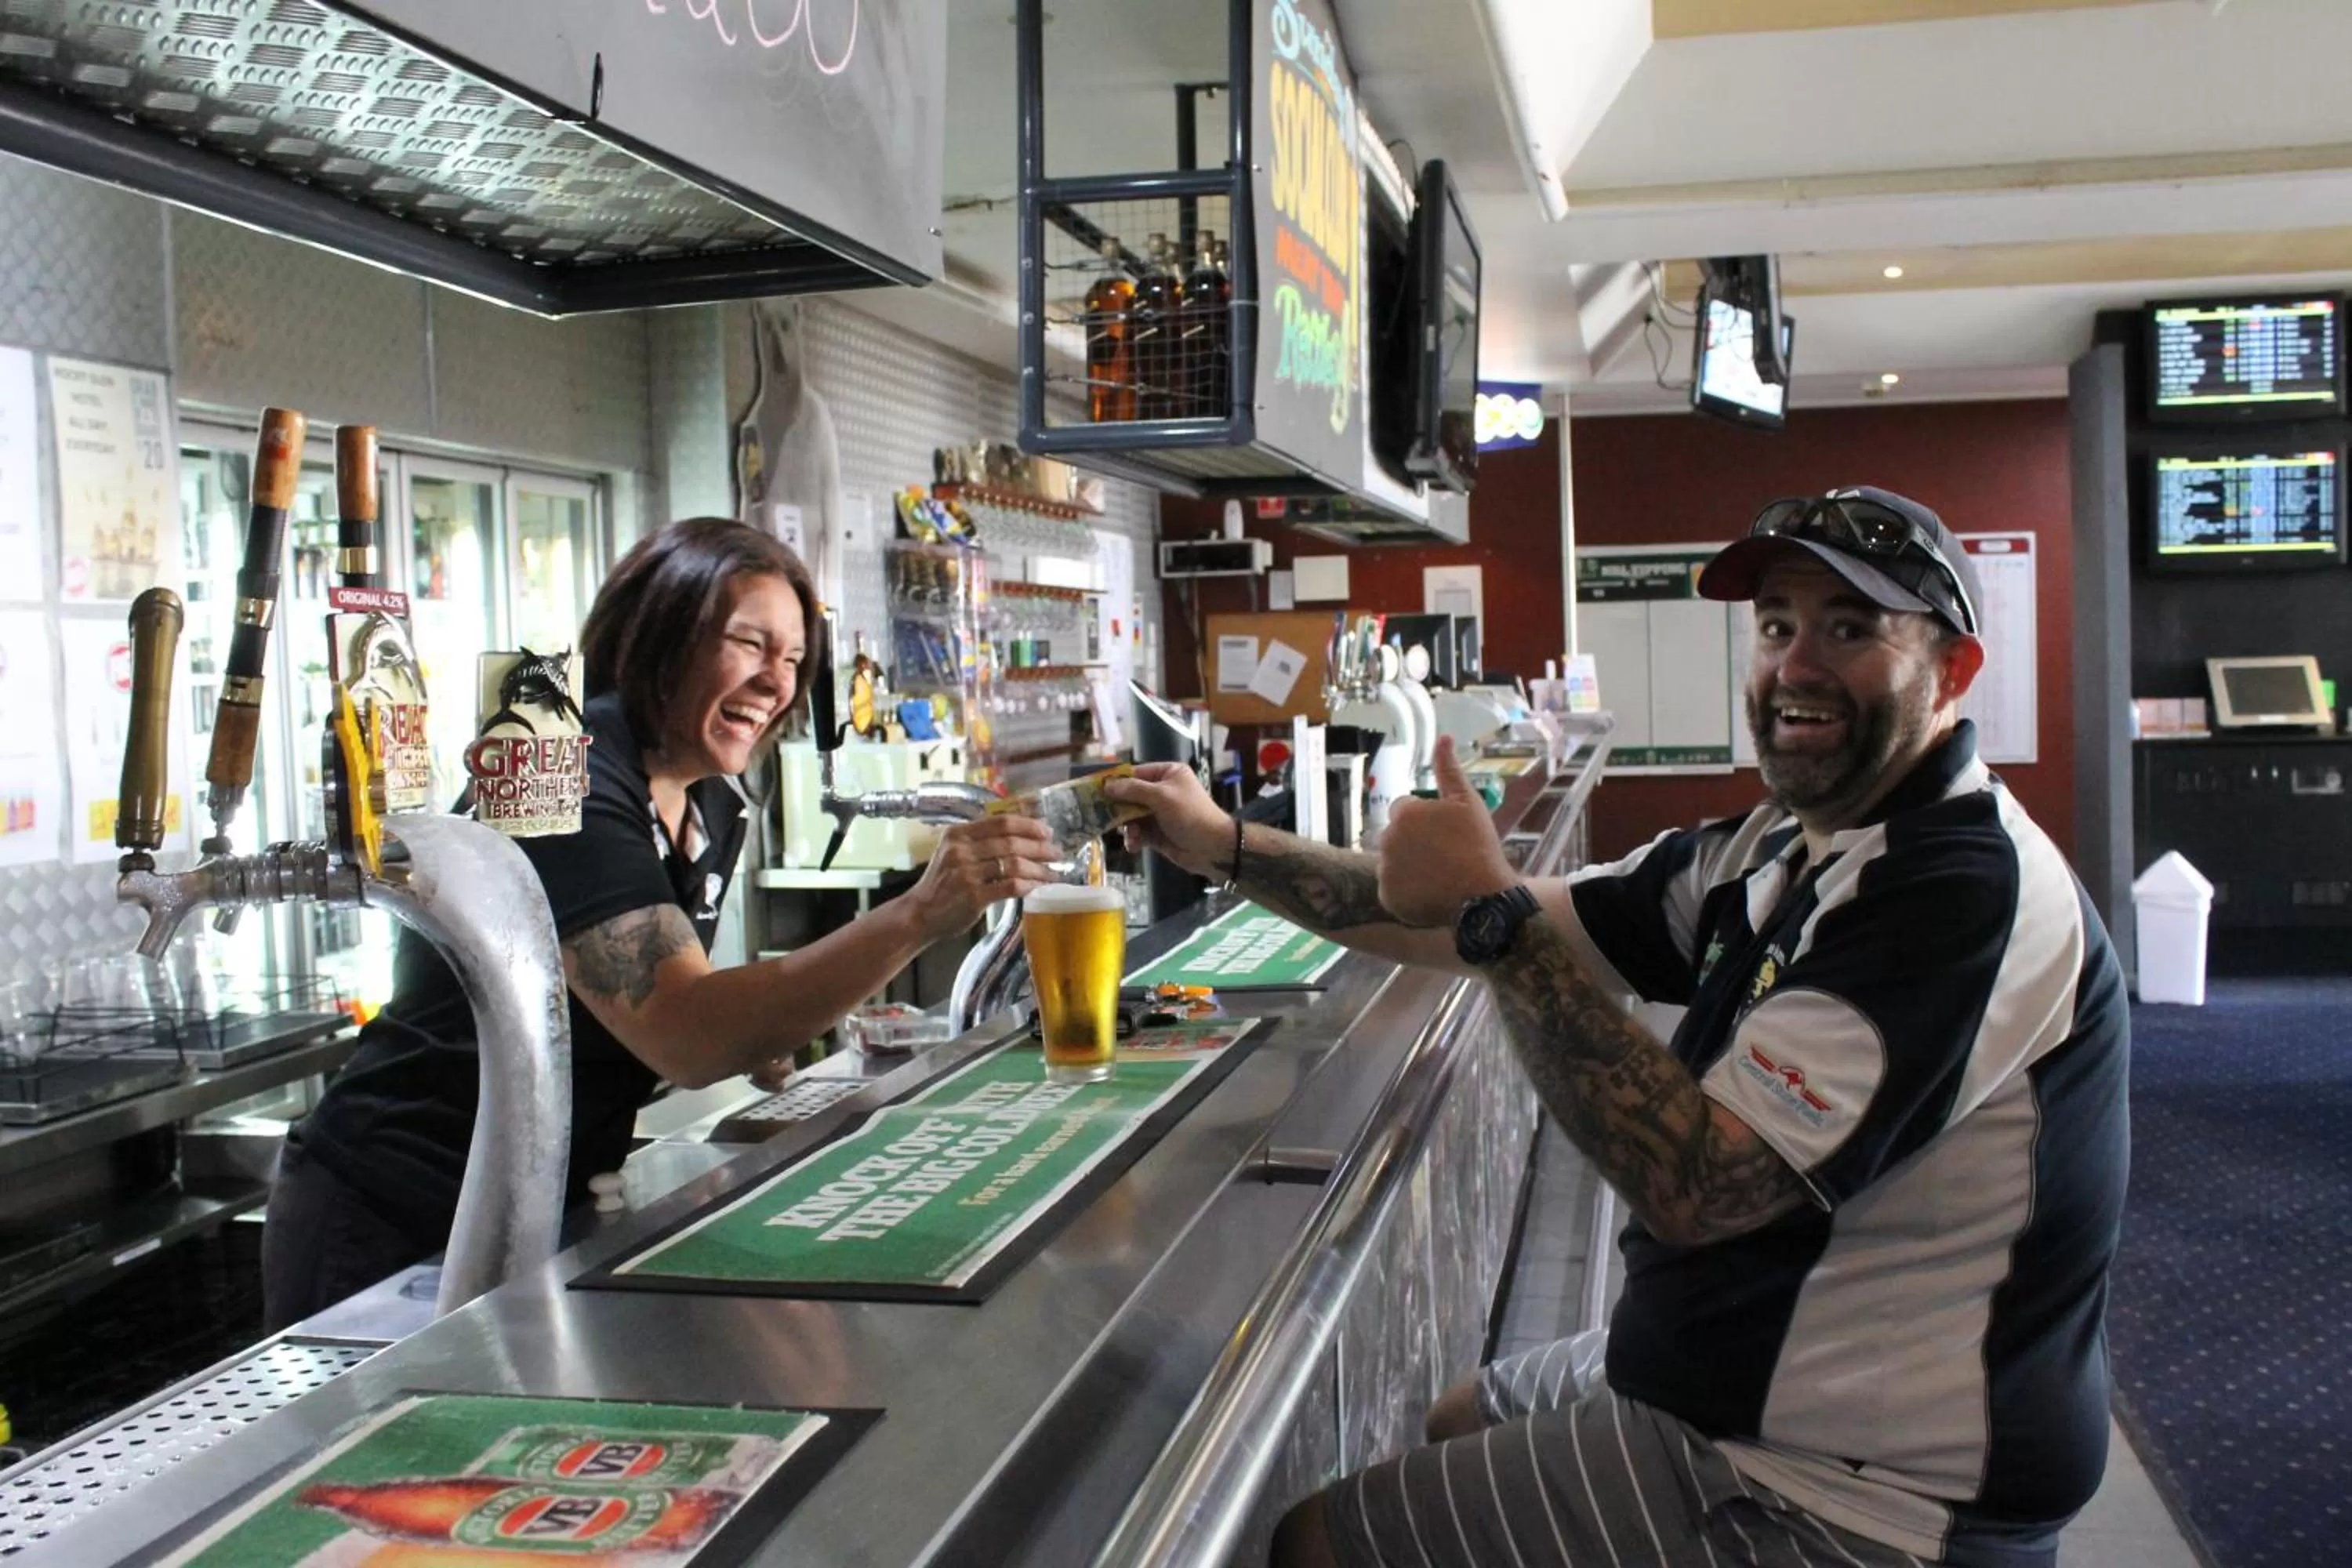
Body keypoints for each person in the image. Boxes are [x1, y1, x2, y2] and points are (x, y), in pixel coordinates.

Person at [1109, 488, 2128, 1567]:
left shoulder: (1956, 890)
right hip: (1738, 1367)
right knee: (1462, 1413)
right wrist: (1225, 845)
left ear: (1953, 671)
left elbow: (1701, 1188)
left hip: (1853, 1484)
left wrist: (1496, 919)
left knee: (1318, 1544)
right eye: (1777, 626)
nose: (1796, 665)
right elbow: (1454, 914)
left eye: (1850, 629)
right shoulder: (1780, 848)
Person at [264, 518, 1058, 1328]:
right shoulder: (560, 775)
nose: (775, 683)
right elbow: (687, 1032)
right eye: (749, 643)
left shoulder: (709, 796)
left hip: (531, 1199)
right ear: (664, 631)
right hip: (397, 1210)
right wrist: (919, 913)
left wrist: (762, 1022)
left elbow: (657, 1004)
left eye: (792, 659)